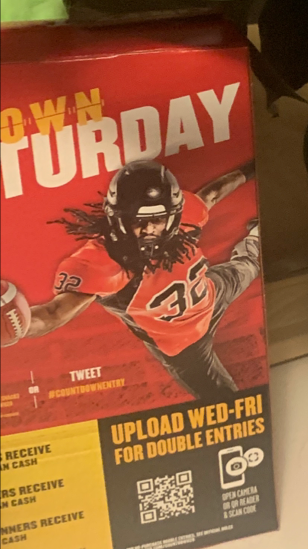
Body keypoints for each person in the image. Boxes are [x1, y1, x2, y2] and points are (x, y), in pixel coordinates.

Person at [11, 159, 261, 400]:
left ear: (173, 215)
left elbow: (213, 193)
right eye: (138, 221)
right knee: (227, 401)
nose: (150, 228)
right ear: (119, 218)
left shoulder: (185, 217)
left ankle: (254, 238)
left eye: (158, 219)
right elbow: (53, 313)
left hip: (209, 292)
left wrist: (255, 166)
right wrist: (13, 325)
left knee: (248, 264)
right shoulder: (103, 263)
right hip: (184, 345)